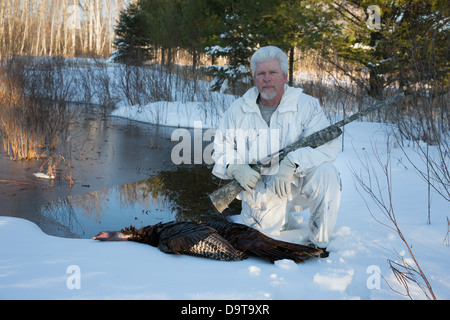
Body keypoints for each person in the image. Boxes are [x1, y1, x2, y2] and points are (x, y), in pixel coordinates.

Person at [211, 46, 341, 254]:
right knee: (263, 245)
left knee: (327, 173)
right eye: (261, 73)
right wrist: (236, 167)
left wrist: (292, 163)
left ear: (285, 77)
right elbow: (221, 145)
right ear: (254, 78)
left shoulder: (307, 106)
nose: (267, 78)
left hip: (297, 183)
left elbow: (328, 148)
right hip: (259, 189)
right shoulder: (238, 109)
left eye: (273, 73)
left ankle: (319, 244)